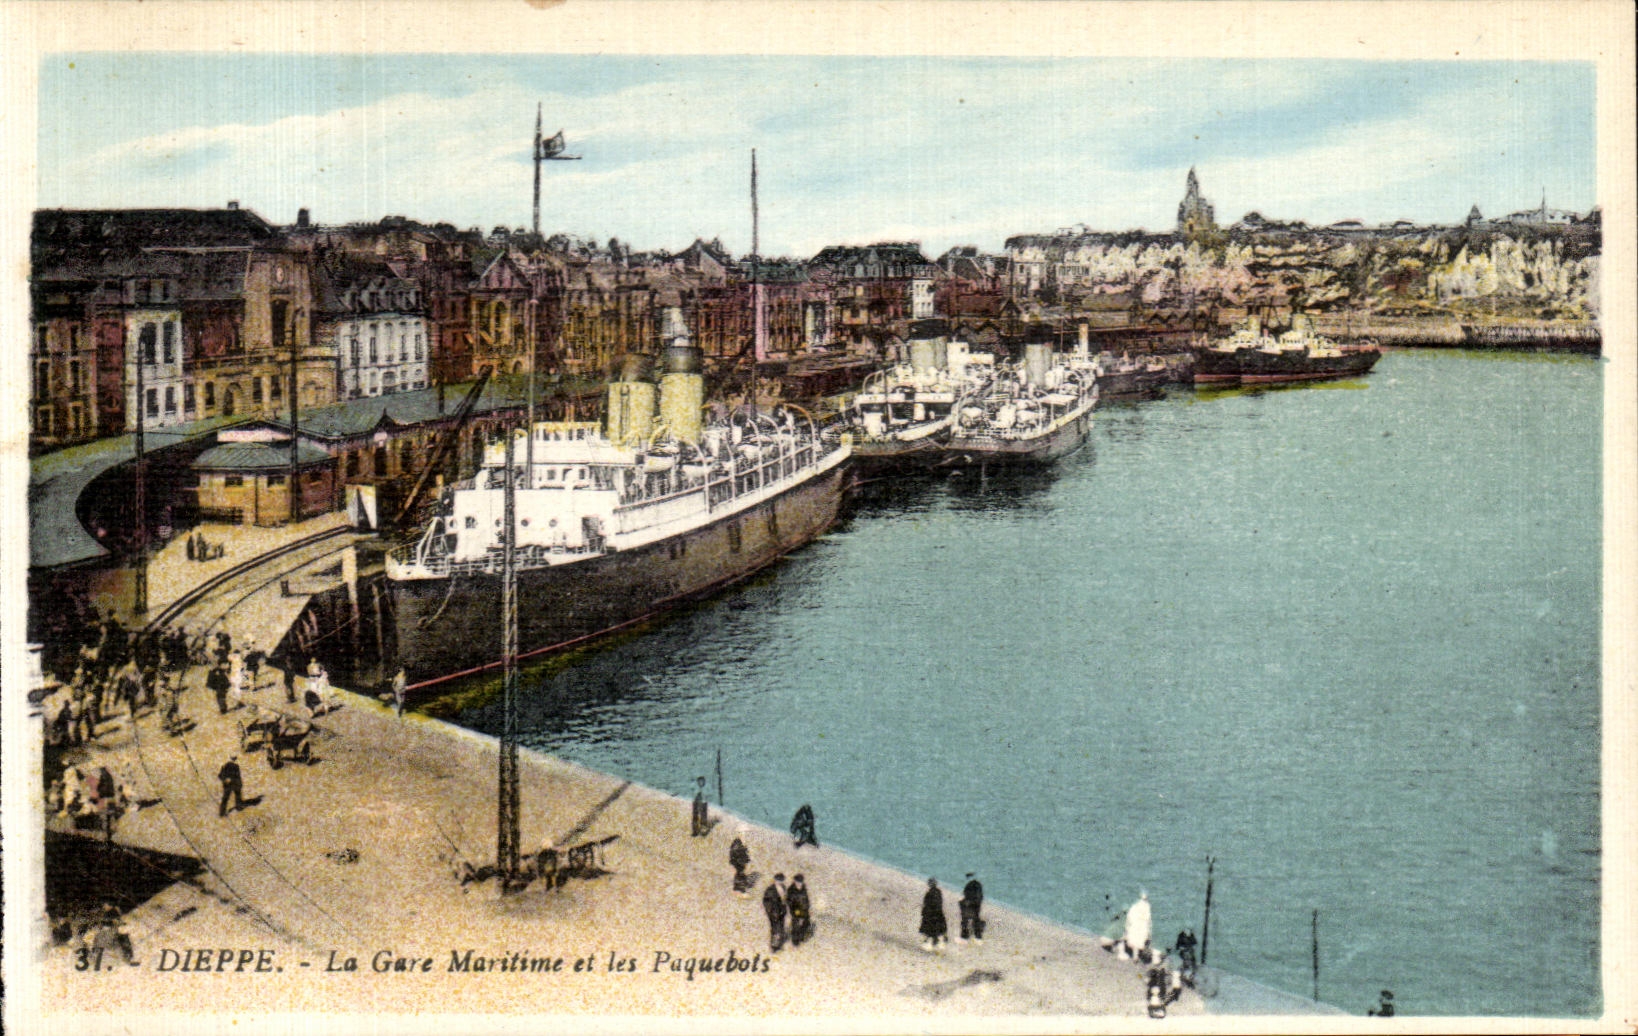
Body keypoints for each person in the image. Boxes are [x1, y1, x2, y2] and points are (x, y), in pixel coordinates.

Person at [920, 877, 947, 952]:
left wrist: (924, 912)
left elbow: (927, 904)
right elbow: (939, 903)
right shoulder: (938, 892)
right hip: (938, 913)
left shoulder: (929, 893)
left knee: (929, 929)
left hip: (931, 913)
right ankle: (935, 943)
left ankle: (930, 944)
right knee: (936, 930)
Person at [762, 874, 788, 952]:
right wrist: (770, 911)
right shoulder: (770, 890)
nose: (779, 882)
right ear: (775, 880)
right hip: (774, 913)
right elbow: (766, 902)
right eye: (778, 880)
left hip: (782, 911)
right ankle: (774, 946)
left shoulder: (784, 888)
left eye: (781, 881)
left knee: (781, 927)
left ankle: (779, 943)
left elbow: (785, 899)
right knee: (775, 928)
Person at [1126, 891, 1153, 964]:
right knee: (1140, 939)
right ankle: (1137, 955)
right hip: (1142, 924)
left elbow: (1130, 914)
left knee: (1136, 939)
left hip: (1136, 923)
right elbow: (1148, 918)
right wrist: (1149, 927)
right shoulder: (1147, 906)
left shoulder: (1135, 904)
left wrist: (1129, 923)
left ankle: (1135, 955)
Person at [959, 872, 986, 944]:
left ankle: (964, 937)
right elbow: (980, 896)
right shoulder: (978, 885)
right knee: (975, 919)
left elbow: (966, 895)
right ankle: (978, 937)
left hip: (970, 904)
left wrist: (964, 902)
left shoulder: (969, 885)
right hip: (976, 904)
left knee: (965, 920)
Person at [787, 874, 813, 946]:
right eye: (797, 882)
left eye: (800, 882)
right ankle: (795, 941)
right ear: (794, 881)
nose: (799, 883)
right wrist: (794, 911)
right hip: (796, 910)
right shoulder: (791, 890)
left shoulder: (804, 889)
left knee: (806, 923)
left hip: (804, 910)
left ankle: (802, 937)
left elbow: (806, 899)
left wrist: (808, 908)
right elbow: (790, 902)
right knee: (796, 924)